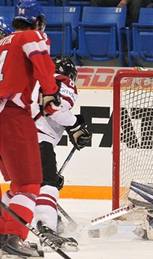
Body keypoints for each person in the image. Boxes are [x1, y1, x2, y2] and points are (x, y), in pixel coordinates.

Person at [0, 0, 61, 257]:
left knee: (17, 185)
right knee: (28, 184)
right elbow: (40, 59)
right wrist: (50, 91)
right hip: (11, 114)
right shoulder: (31, 36)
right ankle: (12, 237)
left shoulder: (3, 42)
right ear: (38, 21)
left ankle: (5, 231)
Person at [30, 56, 92, 250]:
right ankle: (46, 229)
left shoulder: (33, 79)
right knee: (48, 184)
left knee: (26, 186)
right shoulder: (64, 81)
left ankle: (17, 228)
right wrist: (76, 124)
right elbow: (53, 109)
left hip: (12, 135)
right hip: (36, 138)